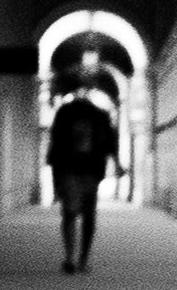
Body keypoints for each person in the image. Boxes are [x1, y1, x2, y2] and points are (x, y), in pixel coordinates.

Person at [47, 73, 121, 273]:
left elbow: (109, 142)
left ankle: (79, 258)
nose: (84, 92)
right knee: (74, 213)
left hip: (87, 169)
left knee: (83, 215)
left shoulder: (93, 114)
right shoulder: (80, 113)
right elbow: (56, 140)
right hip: (76, 168)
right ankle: (73, 258)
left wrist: (116, 162)